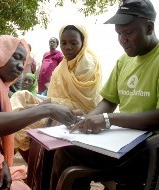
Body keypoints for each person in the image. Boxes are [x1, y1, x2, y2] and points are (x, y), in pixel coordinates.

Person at [49, 0, 159, 190]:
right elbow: (109, 101)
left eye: (128, 33)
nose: (122, 40)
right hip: (123, 141)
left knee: (67, 155)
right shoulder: (124, 61)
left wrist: (108, 120)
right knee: (59, 146)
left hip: (148, 147)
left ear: (149, 27)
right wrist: (87, 119)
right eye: (118, 34)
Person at [0, 35, 76, 190]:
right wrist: (46, 109)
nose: (20, 67)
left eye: (23, 62)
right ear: (0, 53)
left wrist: (2, 163)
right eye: (16, 58)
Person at [12, 25, 102, 165]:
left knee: (22, 126)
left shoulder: (86, 63)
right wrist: (44, 105)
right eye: (64, 43)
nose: (67, 47)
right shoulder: (63, 65)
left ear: (82, 43)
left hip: (81, 111)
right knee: (21, 95)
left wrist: (44, 105)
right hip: (56, 105)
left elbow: (85, 101)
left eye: (73, 43)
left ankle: (33, 165)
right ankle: (15, 115)